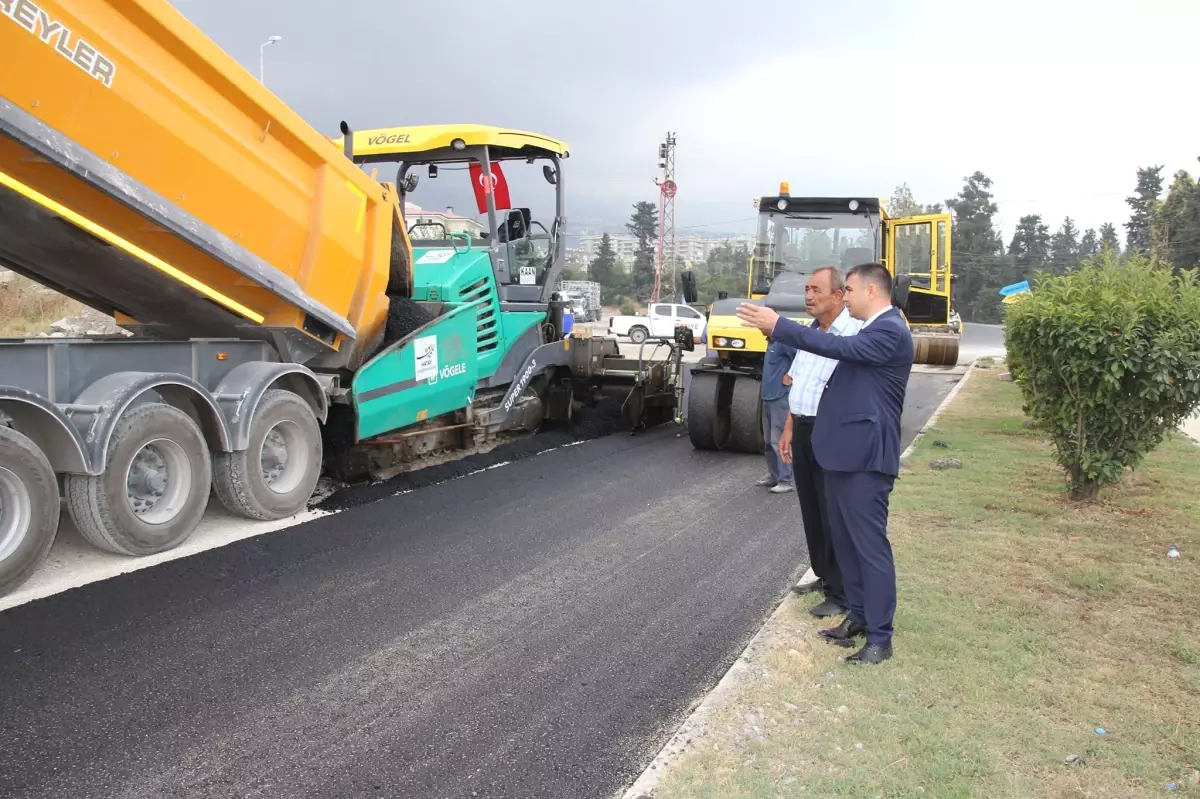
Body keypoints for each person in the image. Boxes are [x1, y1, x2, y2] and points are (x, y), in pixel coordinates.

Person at [736, 263, 914, 666]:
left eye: (849, 289)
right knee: (847, 543)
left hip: (865, 458)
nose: (845, 296)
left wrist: (780, 326)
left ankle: (880, 638)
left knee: (869, 548)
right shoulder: (873, 329)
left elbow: (840, 349)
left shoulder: (890, 329)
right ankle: (860, 616)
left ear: (871, 291)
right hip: (843, 453)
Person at [778, 266, 862, 618]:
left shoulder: (854, 333)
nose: (808, 296)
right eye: (807, 289)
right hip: (804, 429)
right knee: (812, 509)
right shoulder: (811, 333)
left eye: (816, 290)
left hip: (833, 432)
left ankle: (842, 592)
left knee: (834, 513)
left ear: (838, 295)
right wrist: (788, 429)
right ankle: (825, 575)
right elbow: (798, 383)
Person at [757, 333, 797, 493]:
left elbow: (800, 357)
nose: (761, 328)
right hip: (768, 397)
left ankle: (785, 480)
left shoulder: (785, 341)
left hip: (780, 397)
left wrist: (791, 374)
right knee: (768, 441)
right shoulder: (771, 342)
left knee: (779, 440)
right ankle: (774, 475)